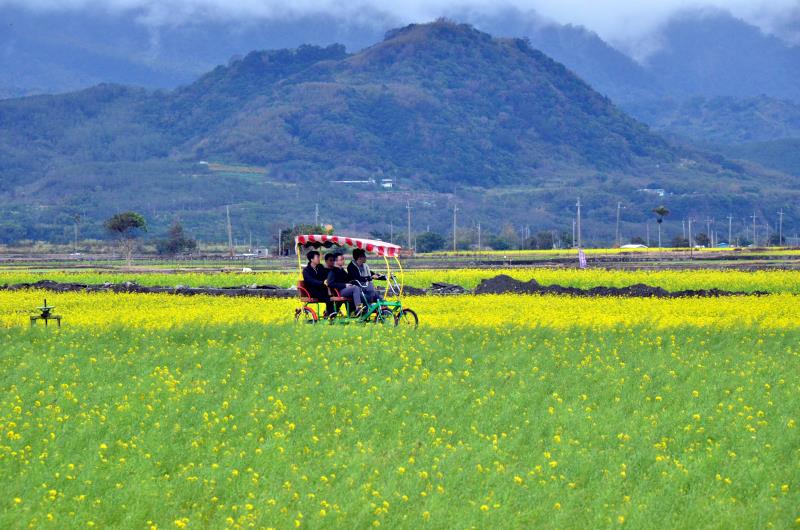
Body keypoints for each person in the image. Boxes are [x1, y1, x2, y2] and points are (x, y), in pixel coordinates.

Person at [301, 250, 332, 315]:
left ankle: (329, 313)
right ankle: (329, 314)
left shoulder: (320, 267)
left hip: (321, 289)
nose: (319, 259)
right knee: (329, 299)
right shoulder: (306, 270)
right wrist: (322, 282)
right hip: (312, 291)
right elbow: (310, 281)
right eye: (317, 257)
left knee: (333, 296)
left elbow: (325, 275)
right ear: (312, 259)